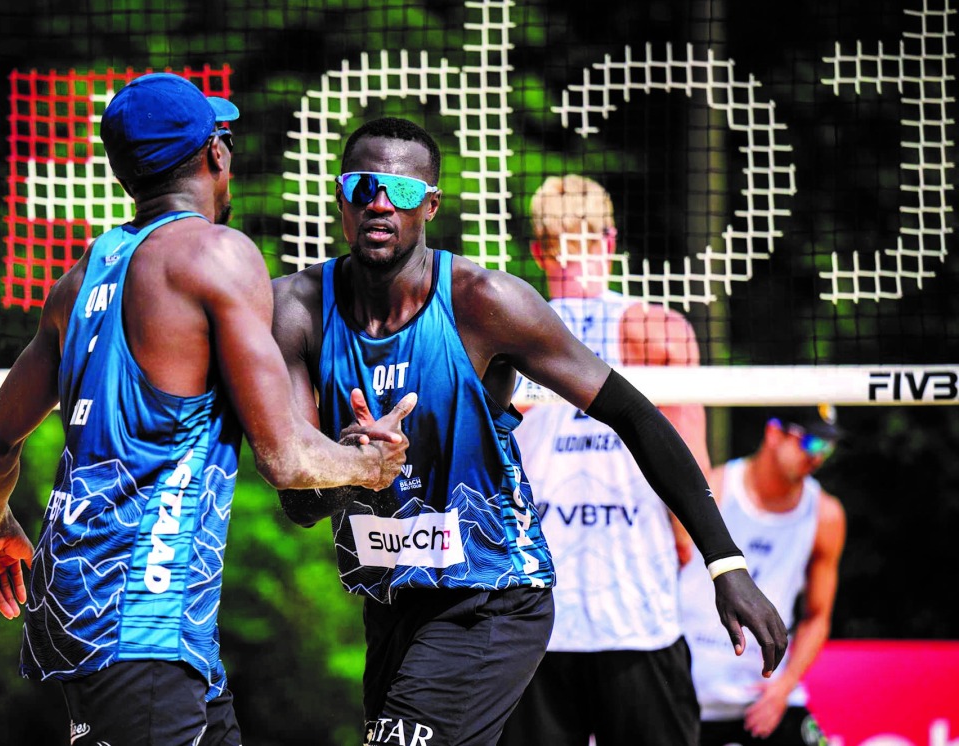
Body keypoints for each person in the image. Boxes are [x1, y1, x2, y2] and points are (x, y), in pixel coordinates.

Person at [271, 116, 787, 746]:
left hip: (493, 596)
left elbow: (637, 415)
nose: (380, 202)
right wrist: (354, 470)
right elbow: (299, 506)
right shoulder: (296, 309)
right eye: (363, 186)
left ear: (430, 205)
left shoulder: (485, 302)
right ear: (340, 198)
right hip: (392, 600)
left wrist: (725, 564)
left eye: (401, 190)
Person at [0, 73, 413, 746]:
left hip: (95, 612)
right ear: (215, 153)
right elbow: (286, 458)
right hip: (141, 620)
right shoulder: (216, 254)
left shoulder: (79, 278)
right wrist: (369, 465)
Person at [499, 174, 708, 746]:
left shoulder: (502, 332)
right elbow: (691, 470)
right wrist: (688, 552)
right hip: (637, 603)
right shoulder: (659, 330)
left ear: (539, 250)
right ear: (610, 240)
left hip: (533, 604)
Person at [680, 406, 846, 746]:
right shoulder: (715, 489)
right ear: (774, 433)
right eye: (811, 442)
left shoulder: (825, 515)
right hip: (690, 693)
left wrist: (783, 688)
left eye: (827, 447)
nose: (818, 456)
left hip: (765, 697)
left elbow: (817, 617)